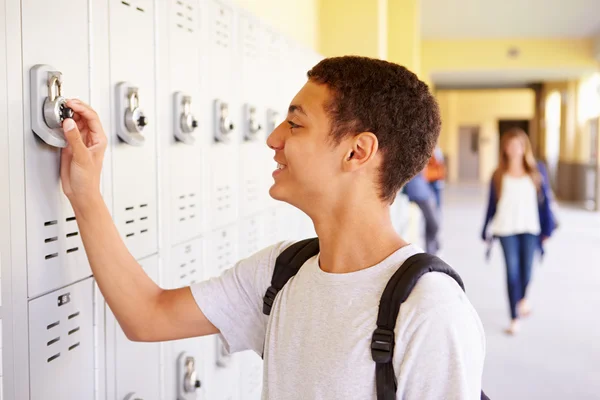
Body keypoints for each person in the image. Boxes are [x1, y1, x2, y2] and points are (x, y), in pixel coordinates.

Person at [60, 56, 485, 399]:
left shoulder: (430, 311)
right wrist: (85, 194)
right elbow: (146, 315)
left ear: (358, 151)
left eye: (295, 124)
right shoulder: (282, 273)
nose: (273, 138)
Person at [481, 127, 557, 336]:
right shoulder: (498, 174)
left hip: (530, 228)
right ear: (504, 148)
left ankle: (522, 299)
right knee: (512, 272)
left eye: (518, 145)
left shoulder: (537, 171)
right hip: (506, 229)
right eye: (510, 145)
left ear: (525, 148)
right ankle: (514, 316)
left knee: (527, 271)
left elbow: (546, 202)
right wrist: (484, 230)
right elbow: (491, 206)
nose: (514, 149)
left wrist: (548, 228)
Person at [402, 171, 440, 254]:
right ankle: (432, 249)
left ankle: (432, 248)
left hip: (426, 188)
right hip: (419, 191)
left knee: (432, 223)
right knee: (433, 223)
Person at [424, 145, 446, 211]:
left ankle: (436, 208)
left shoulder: (435, 152)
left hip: (433, 177)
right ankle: (436, 208)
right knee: (435, 194)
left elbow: (439, 164)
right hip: (433, 176)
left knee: (435, 194)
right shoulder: (436, 152)